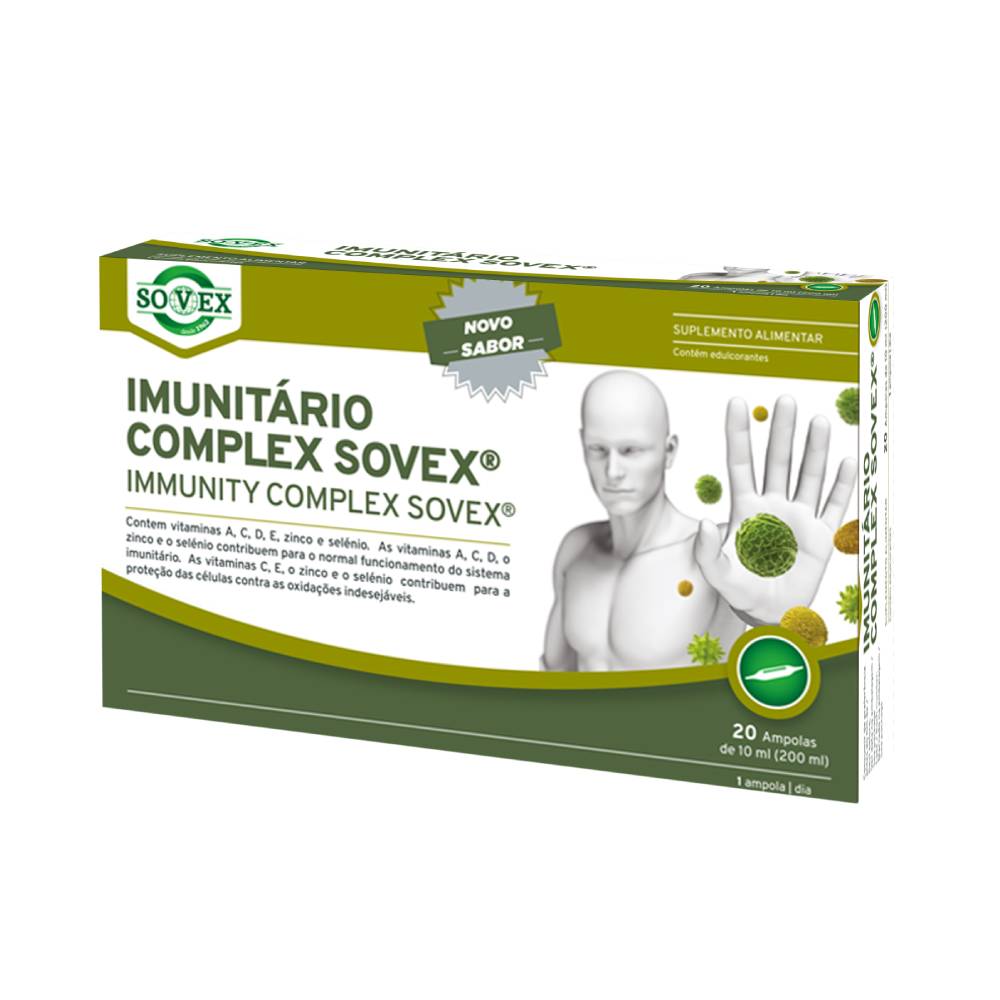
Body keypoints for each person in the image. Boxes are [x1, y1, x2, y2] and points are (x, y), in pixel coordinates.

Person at [541, 370, 856, 671]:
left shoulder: (715, 554)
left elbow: (762, 640)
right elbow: (555, 675)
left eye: (630, 450)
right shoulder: (576, 549)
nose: (612, 471)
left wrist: (774, 618)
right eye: (598, 449)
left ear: (669, 451)